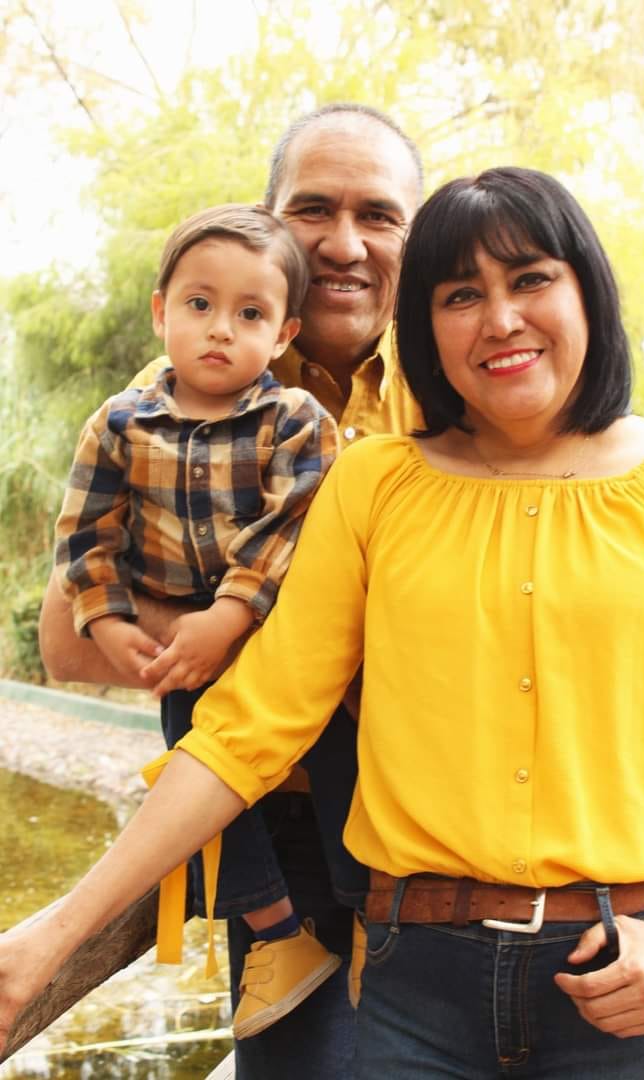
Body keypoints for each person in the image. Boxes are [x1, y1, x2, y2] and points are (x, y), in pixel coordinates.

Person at [6, 164, 644, 1079]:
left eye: (531, 279)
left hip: (637, 994)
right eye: (462, 295)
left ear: (588, 286)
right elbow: (247, 730)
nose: (500, 319)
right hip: (413, 998)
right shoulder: (375, 482)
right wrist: (56, 934)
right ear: (421, 325)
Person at [37, 103, 424, 1077]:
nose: (344, 243)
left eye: (379, 215)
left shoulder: (459, 379)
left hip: (433, 817)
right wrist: (312, 644)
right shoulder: (176, 386)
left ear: (416, 241)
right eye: (313, 210)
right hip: (267, 815)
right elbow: (72, 642)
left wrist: (259, 635)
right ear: (266, 220)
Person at [53, 201, 344, 1039]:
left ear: (284, 334)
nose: (221, 330)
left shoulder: (293, 422)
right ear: (161, 312)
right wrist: (107, 621)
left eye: (249, 315)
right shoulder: (120, 422)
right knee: (196, 777)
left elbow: (295, 524)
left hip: (275, 643)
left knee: (329, 766)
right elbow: (85, 532)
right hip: (186, 649)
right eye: (199, 305)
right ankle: (276, 934)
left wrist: (231, 612)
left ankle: (360, 916)